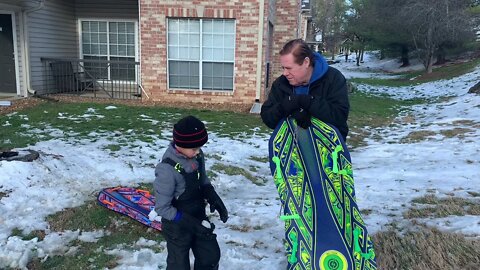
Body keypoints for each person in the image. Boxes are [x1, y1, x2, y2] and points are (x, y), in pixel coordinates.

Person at [153, 115, 228, 270]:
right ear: (180, 144)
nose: (198, 152)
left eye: (199, 147)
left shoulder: (197, 157)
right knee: (178, 264)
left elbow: (203, 180)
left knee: (210, 256)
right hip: (177, 224)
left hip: (198, 215)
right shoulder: (167, 170)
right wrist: (188, 222)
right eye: (194, 148)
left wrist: (213, 196)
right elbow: (162, 208)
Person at [261, 39, 350, 141]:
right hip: (290, 149)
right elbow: (268, 118)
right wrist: (284, 107)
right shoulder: (281, 83)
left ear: (306, 62)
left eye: (289, 68)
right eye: (283, 68)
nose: (285, 73)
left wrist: (308, 102)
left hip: (328, 150)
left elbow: (339, 116)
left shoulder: (333, 79)